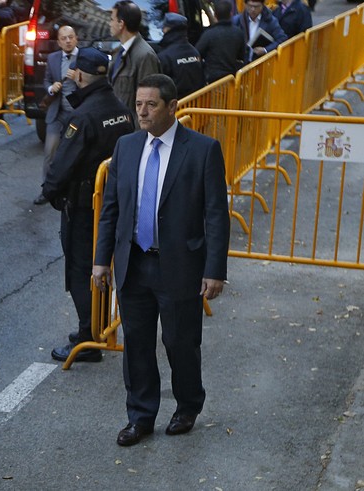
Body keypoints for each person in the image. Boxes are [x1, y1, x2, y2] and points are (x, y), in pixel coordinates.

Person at [92, 74, 230, 447]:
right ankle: (140, 416)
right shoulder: (126, 147)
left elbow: (216, 213)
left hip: (180, 265)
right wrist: (101, 259)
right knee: (136, 341)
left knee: (179, 341)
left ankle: (187, 405)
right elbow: (112, 209)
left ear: (172, 107)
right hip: (134, 262)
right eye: (138, 104)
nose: (142, 112)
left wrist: (215, 269)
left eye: (151, 105)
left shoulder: (202, 150)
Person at [41, 48, 134, 363]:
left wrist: (51, 191)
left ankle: (88, 336)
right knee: (101, 265)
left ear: (78, 75)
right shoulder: (121, 109)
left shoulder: (83, 116)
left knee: (82, 269)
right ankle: (99, 325)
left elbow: (62, 164)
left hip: (84, 207)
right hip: (112, 203)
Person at [34, 25, 78, 206]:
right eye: (63, 38)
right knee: (49, 152)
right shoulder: (53, 58)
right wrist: (51, 88)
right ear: (59, 42)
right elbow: (46, 80)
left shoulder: (84, 58)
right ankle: (47, 190)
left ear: (76, 38)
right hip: (56, 112)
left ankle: (72, 191)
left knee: (74, 153)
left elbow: (95, 83)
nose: (68, 41)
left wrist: (78, 78)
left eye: (71, 37)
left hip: (76, 114)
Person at [108, 0, 160, 129]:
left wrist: (138, 139)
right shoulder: (118, 52)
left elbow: (149, 103)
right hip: (116, 128)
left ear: (121, 24)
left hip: (131, 132)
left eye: (112, 19)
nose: (109, 24)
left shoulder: (145, 55)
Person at [195, 0, 247, 84]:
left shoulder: (209, 34)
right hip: (231, 79)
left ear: (215, 15)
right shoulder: (238, 32)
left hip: (212, 79)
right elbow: (242, 55)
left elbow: (197, 53)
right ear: (230, 14)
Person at [156, 13, 205, 99]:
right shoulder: (194, 52)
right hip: (196, 106)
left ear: (168, 30)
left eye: (164, 28)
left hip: (176, 108)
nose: (163, 30)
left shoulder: (164, 56)